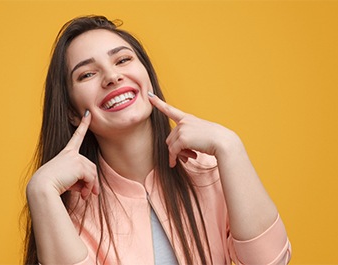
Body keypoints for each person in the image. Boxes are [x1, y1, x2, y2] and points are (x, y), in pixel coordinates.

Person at [23, 15, 291, 265]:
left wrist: (231, 146)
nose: (112, 77)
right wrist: (40, 191)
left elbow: (270, 261)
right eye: (87, 74)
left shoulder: (211, 170)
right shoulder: (67, 207)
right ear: (71, 111)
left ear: (147, 77)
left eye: (123, 60)